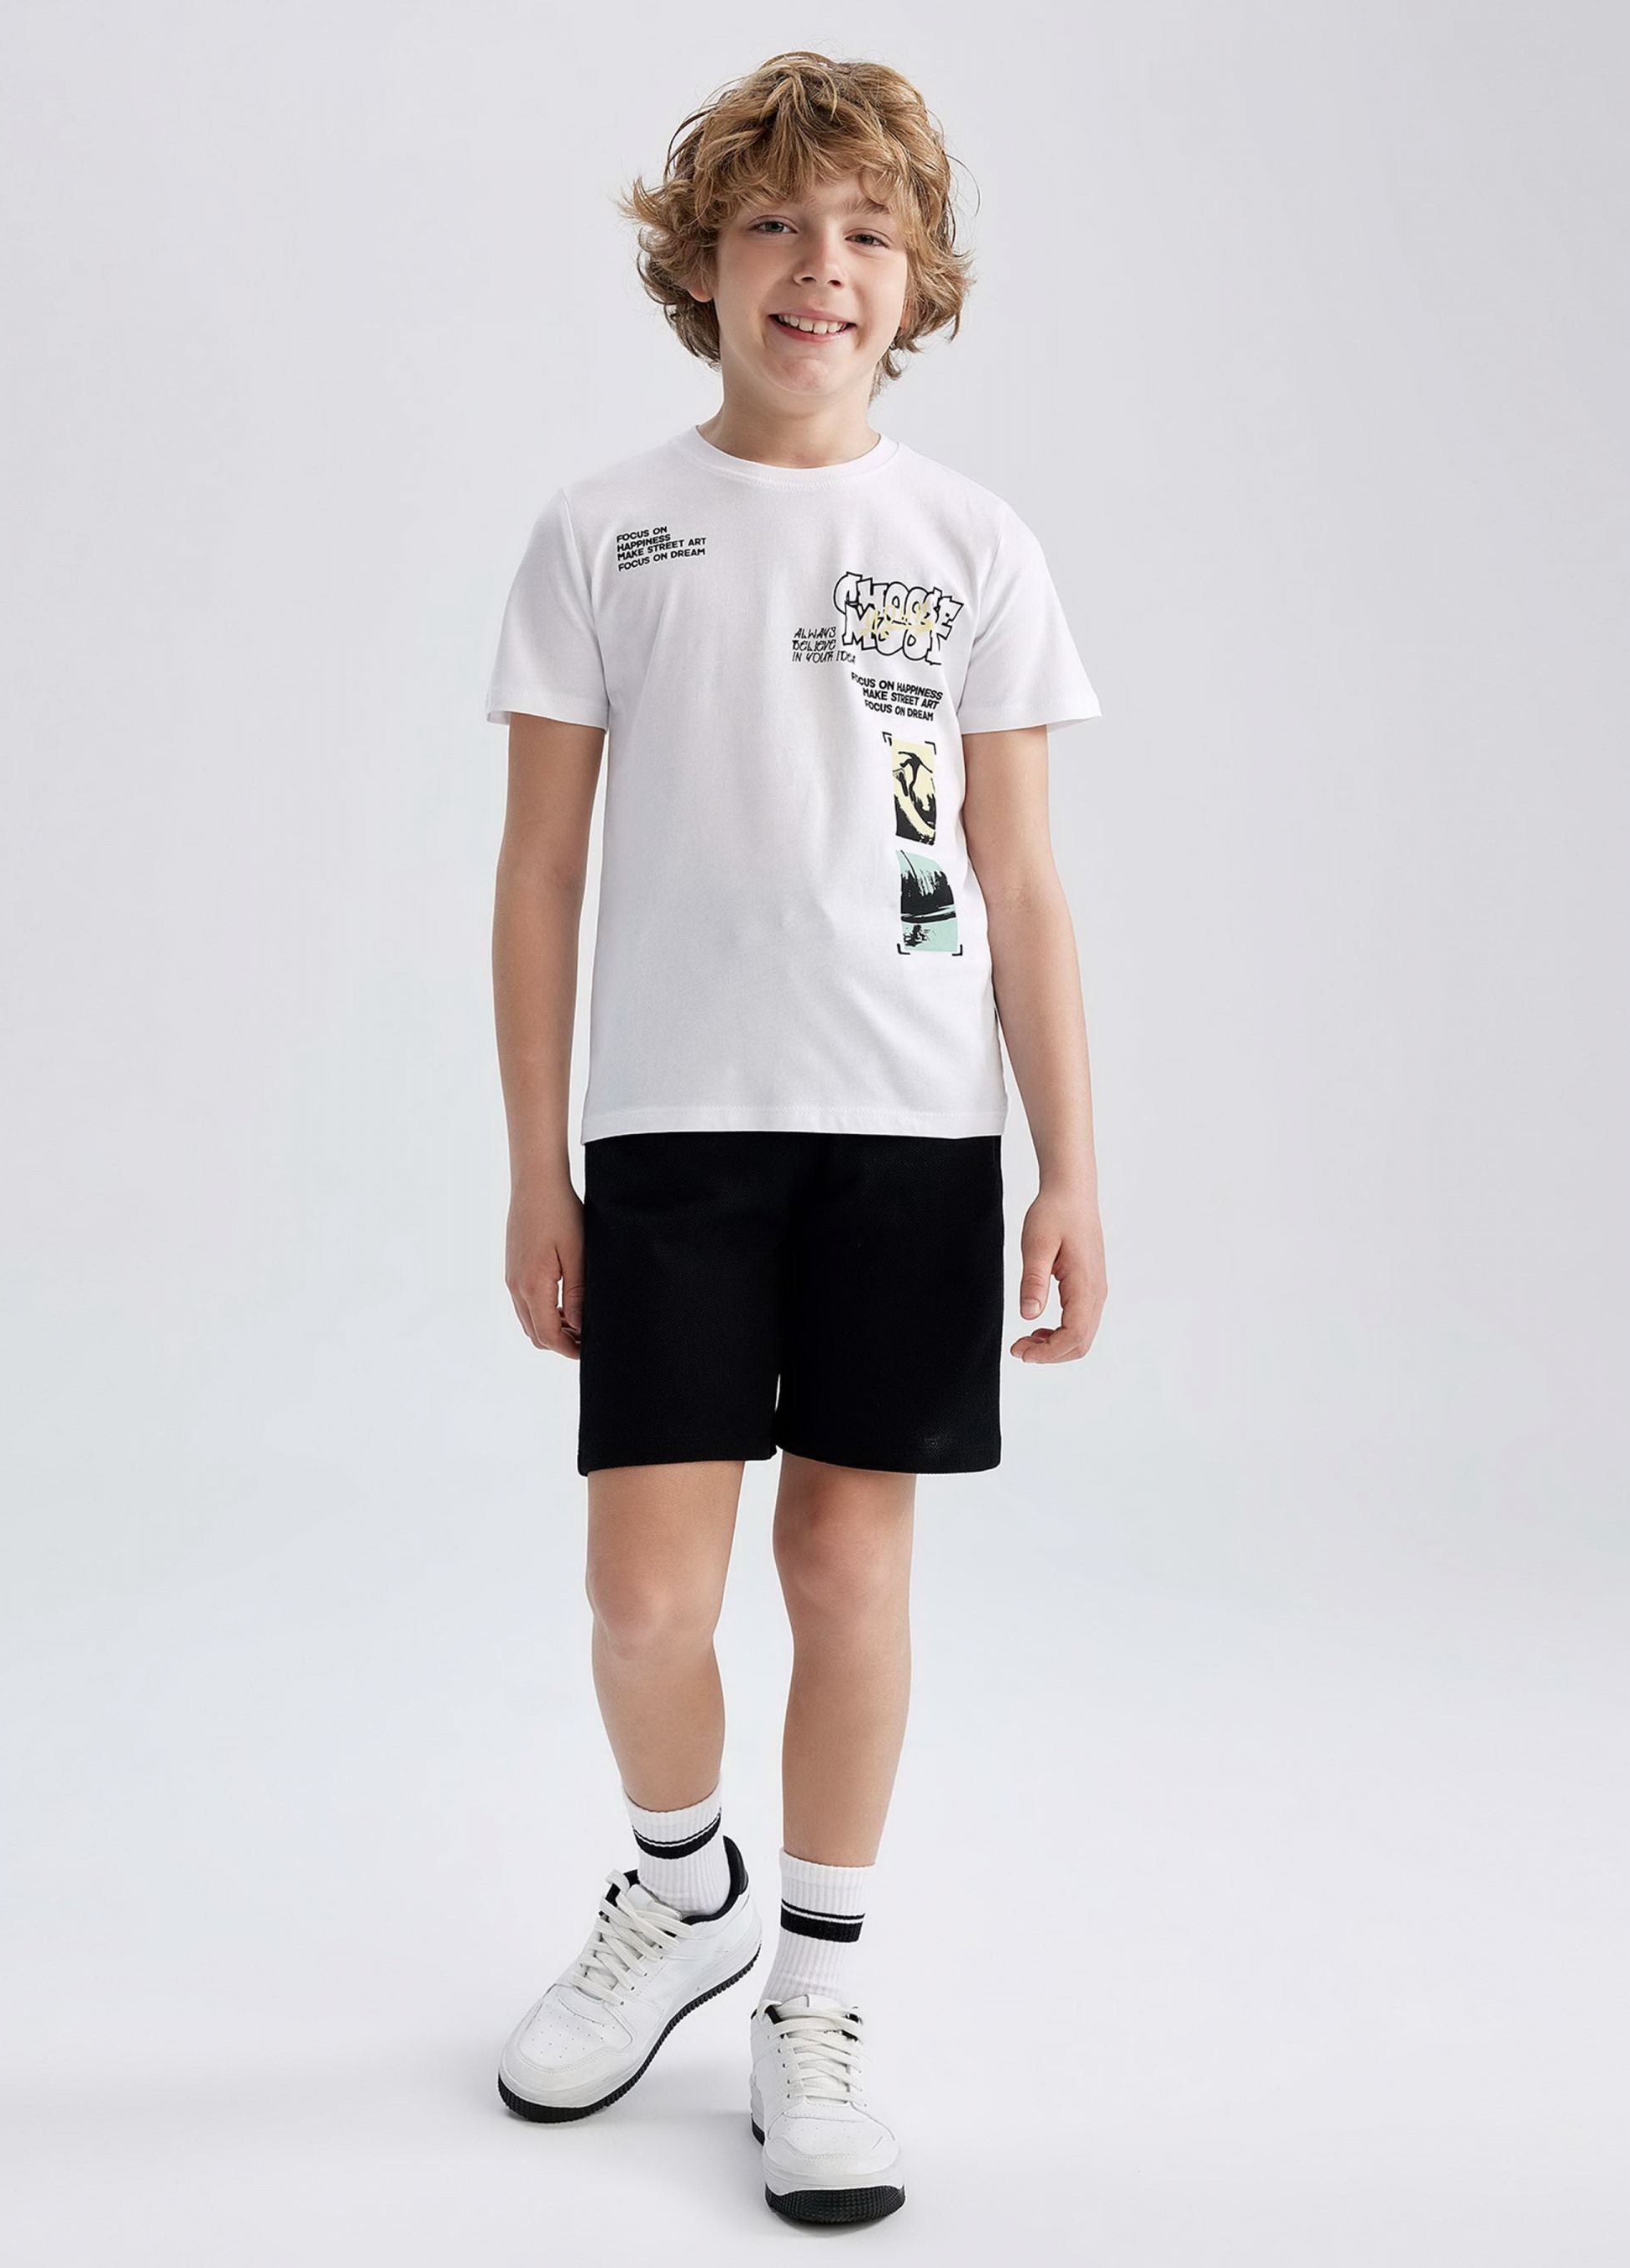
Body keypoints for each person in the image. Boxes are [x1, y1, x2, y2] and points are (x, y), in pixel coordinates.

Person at [484, 49, 1106, 2225]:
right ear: (702, 265)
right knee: (642, 1600)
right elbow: (537, 874)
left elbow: (1021, 883)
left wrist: (1069, 1167)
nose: (815, 266)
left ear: (915, 282)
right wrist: (536, 1167)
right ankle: (685, 1894)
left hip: (909, 1134)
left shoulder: (971, 544)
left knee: (844, 1567)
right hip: (673, 1137)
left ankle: (815, 1992)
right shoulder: (602, 532)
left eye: (861, 233)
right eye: (771, 225)